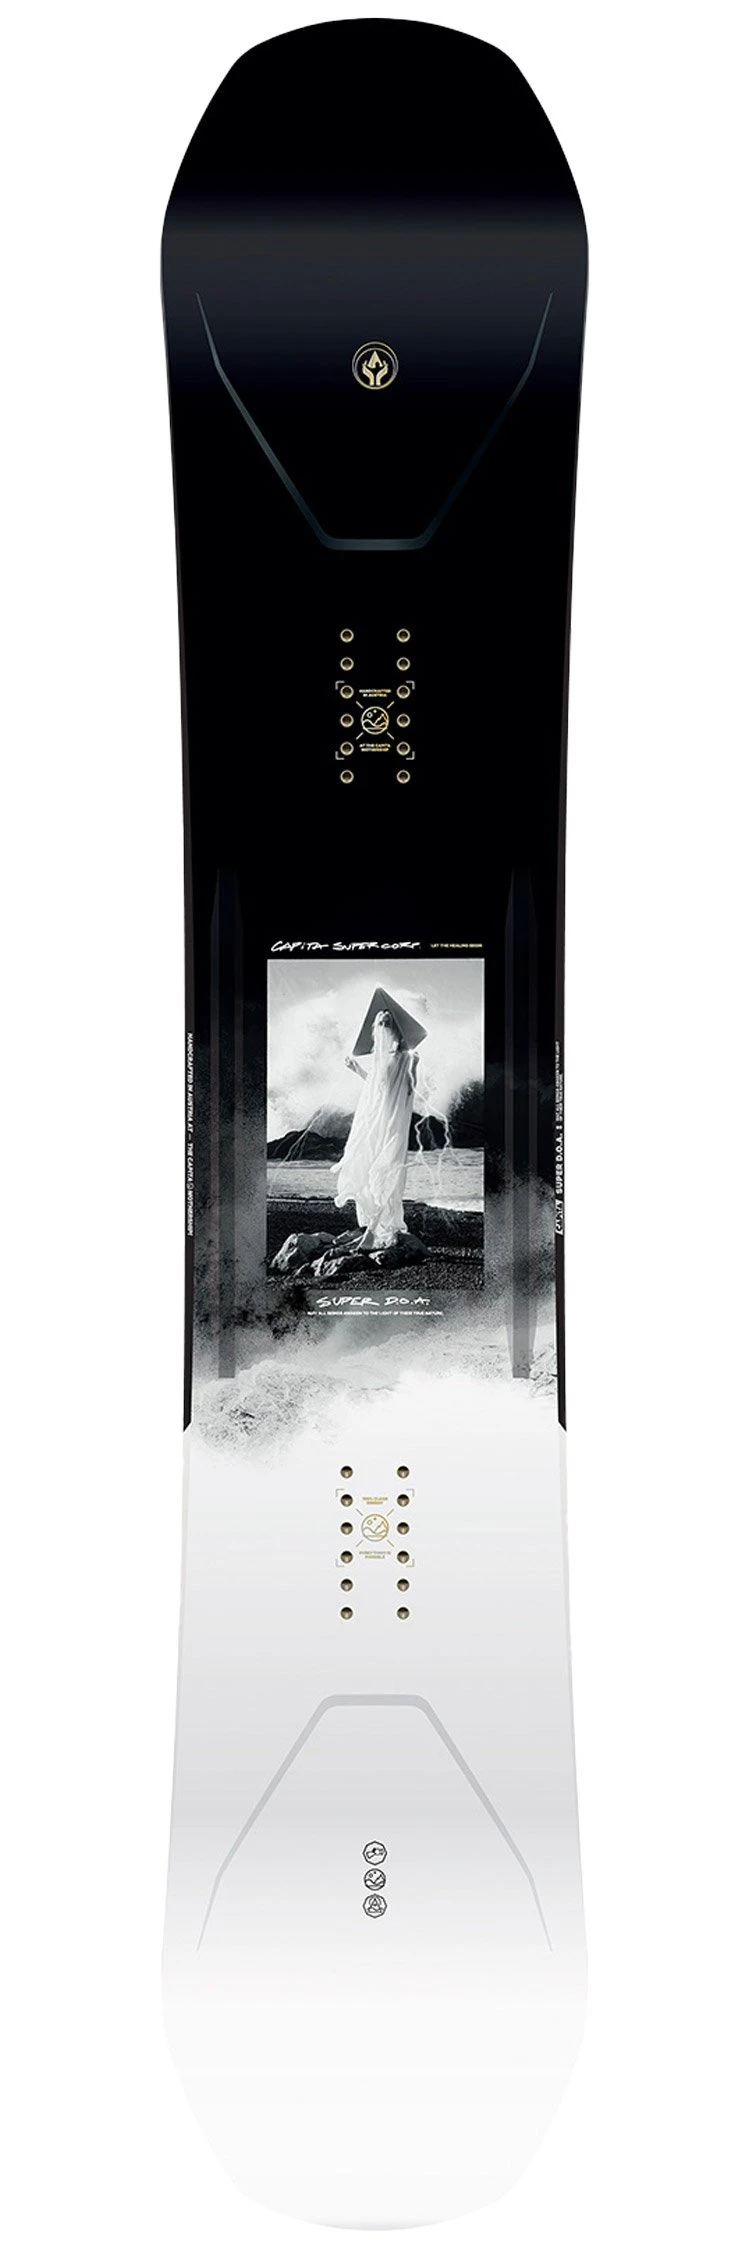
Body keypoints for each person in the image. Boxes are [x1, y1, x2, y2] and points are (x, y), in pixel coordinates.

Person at [331, 1009, 419, 1249]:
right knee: (366, 1170)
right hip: (373, 1123)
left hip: (392, 1124)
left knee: (385, 1172)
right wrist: (357, 1070)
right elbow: (377, 1088)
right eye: (379, 1023)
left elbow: (408, 1091)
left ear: (395, 1029)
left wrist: (414, 1068)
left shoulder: (406, 1057)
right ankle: (372, 1228)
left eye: (386, 1023)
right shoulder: (380, 1057)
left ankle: (371, 1234)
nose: (382, 1028)